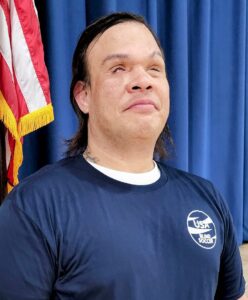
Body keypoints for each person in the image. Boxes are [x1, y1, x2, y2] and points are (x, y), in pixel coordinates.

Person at [0, 12, 246, 300]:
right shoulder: (33, 207)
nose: (143, 81)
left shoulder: (207, 198)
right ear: (83, 95)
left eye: (155, 68)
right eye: (118, 68)